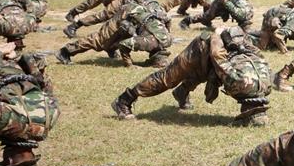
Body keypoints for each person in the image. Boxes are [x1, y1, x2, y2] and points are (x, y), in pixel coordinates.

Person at [111, 26, 272, 126]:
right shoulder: (238, 82)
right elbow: (217, 56)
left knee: (203, 74)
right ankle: (124, 99)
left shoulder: (266, 84)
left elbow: (257, 54)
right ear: (246, 106)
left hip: (229, 47)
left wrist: (240, 43)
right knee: (168, 77)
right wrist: (218, 35)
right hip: (206, 46)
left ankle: (181, 93)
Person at [56, 1, 171, 67]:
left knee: (126, 33)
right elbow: (124, 45)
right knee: (100, 41)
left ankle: (111, 47)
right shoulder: (148, 42)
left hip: (137, 18)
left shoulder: (168, 39)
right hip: (127, 14)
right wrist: (129, 65)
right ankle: (65, 52)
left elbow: (167, 19)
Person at [182, 0, 254, 30]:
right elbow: (225, 1)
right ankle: (187, 20)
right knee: (209, 15)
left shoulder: (249, 12)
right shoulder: (239, 14)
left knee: (221, 13)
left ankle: (207, 21)